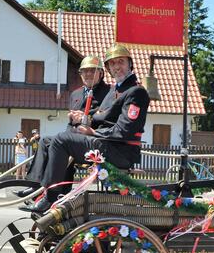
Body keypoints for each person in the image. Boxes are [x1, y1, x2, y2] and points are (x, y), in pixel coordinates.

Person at [21, 43, 150, 214]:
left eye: (121, 62)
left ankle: (51, 197)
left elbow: (125, 129)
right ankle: (41, 188)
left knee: (62, 139)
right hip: (106, 143)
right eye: (112, 63)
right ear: (108, 69)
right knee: (47, 140)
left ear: (130, 64)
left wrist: (93, 132)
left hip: (120, 150)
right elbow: (100, 116)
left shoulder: (136, 91)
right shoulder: (116, 91)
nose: (116, 66)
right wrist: (83, 119)